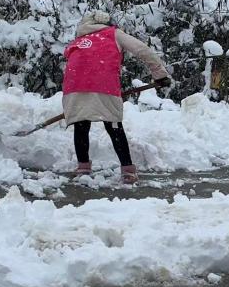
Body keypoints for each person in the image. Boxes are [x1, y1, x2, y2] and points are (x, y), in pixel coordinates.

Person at [62, 10, 171, 184]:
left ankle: (83, 168)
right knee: (113, 125)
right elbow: (142, 50)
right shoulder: (113, 33)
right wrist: (160, 74)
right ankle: (127, 170)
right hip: (103, 84)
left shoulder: (79, 40)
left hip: (73, 86)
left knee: (81, 125)